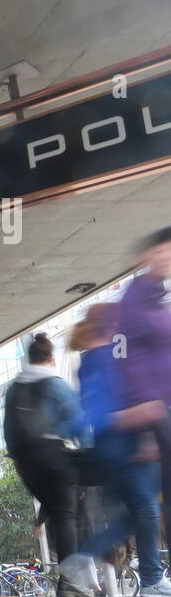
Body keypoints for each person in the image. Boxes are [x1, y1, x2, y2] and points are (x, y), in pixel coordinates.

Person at [60, 304, 171, 597]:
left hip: (109, 448)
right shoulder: (111, 358)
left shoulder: (91, 360)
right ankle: (146, 578)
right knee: (145, 509)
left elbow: (93, 408)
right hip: (122, 445)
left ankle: (140, 573)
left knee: (140, 511)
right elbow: (112, 407)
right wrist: (145, 428)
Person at [4, 333, 88, 595]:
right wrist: (89, 455)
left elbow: (8, 429)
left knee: (54, 510)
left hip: (27, 463)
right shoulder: (55, 384)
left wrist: (18, 458)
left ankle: (69, 579)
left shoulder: (14, 388)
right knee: (66, 516)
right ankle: (70, 582)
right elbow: (78, 422)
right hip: (54, 455)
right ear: (51, 358)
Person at [115, 226, 171, 556]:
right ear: (147, 257)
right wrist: (143, 406)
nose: (167, 258)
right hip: (154, 407)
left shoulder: (158, 298)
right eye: (162, 251)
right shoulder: (135, 300)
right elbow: (124, 354)